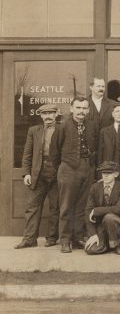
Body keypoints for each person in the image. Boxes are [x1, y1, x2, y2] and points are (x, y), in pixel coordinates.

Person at [52, 96, 100, 252]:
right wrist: (63, 167)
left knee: (82, 206)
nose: (81, 111)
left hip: (87, 168)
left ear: (88, 110)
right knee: (66, 205)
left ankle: (78, 237)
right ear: (72, 108)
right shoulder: (62, 126)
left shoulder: (92, 125)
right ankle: (65, 239)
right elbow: (54, 151)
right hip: (68, 168)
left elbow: (95, 147)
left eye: (85, 108)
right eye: (78, 108)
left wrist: (90, 166)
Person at [16, 103, 61, 249]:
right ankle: (29, 239)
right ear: (41, 115)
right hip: (38, 174)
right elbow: (27, 153)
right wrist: (26, 173)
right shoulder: (34, 130)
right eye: (44, 113)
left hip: (57, 174)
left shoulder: (63, 129)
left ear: (56, 114)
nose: (47, 116)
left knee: (56, 207)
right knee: (32, 207)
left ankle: (52, 238)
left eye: (50, 113)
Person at [83, 161, 120, 255]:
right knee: (91, 250)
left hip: (119, 224)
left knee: (109, 217)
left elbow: (118, 209)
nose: (105, 176)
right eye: (103, 173)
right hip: (101, 226)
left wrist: (97, 210)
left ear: (116, 174)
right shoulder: (95, 187)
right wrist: (93, 235)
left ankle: (117, 244)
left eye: (109, 173)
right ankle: (107, 244)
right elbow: (88, 211)